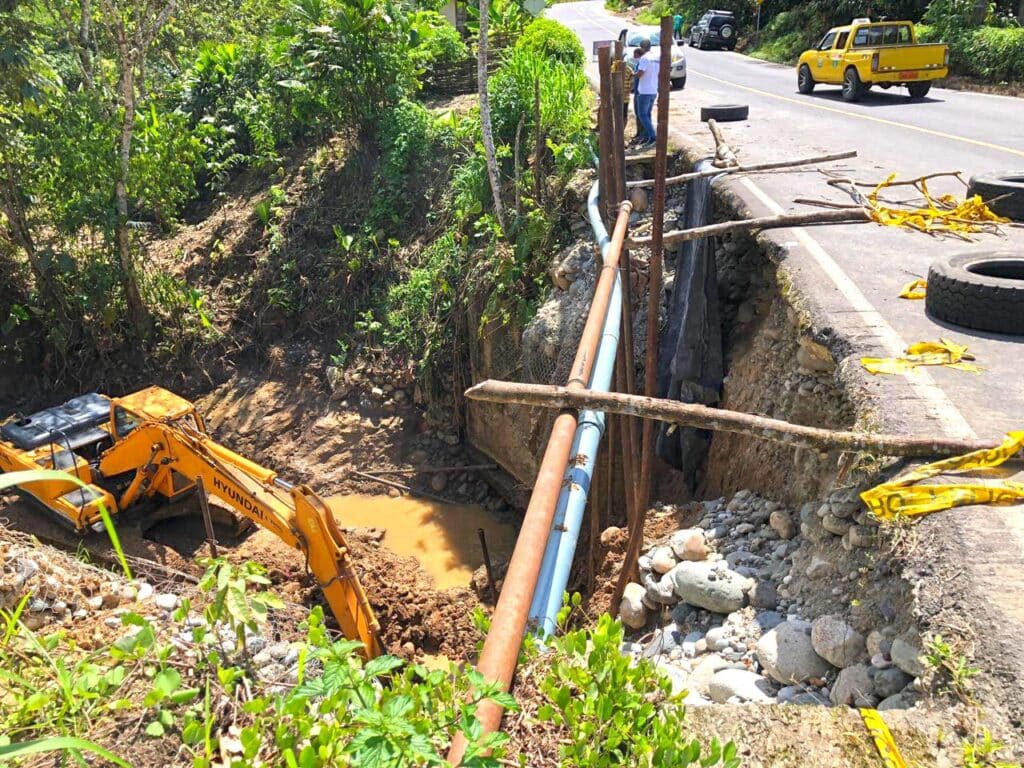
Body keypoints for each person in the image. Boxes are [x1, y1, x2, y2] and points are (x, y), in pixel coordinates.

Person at [634, 38, 658, 147]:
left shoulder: (644, 58)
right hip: (653, 90)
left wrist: (632, 74)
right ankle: (648, 137)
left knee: (642, 115)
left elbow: (640, 73)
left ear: (642, 47)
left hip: (644, 91)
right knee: (647, 114)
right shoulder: (656, 58)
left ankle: (653, 137)